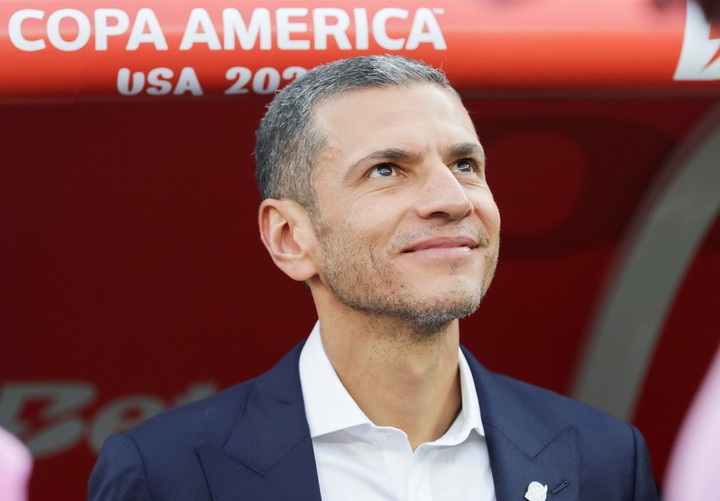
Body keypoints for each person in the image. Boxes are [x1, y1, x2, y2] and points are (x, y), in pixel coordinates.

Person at [89, 55, 658, 501]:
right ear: (290, 237)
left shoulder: (603, 458)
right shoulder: (165, 472)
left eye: (465, 164)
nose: (452, 200)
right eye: (387, 170)